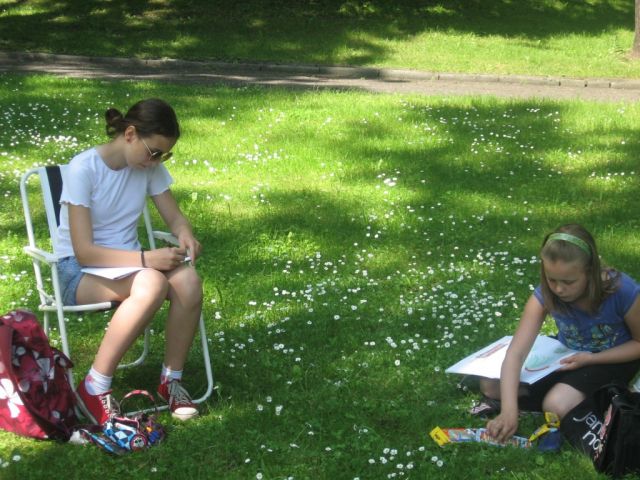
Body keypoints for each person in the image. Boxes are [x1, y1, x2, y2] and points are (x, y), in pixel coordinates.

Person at [55, 98, 203, 423]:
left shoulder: (147, 166)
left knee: (189, 281)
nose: (156, 161)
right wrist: (147, 259)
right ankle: (94, 386)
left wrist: (185, 234)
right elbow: (84, 252)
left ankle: (171, 381)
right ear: (131, 134)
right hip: (77, 272)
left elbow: (175, 218)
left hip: (131, 268)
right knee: (151, 282)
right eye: (154, 153)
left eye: (164, 155)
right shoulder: (84, 168)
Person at [479, 224, 640, 443]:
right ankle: (563, 395)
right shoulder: (545, 295)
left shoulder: (623, 291)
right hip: (567, 357)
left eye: (568, 282)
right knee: (490, 385)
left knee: (555, 405)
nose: (559, 289)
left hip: (613, 359)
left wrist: (592, 359)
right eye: (551, 279)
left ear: (590, 271)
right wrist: (508, 411)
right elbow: (516, 353)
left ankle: (610, 397)